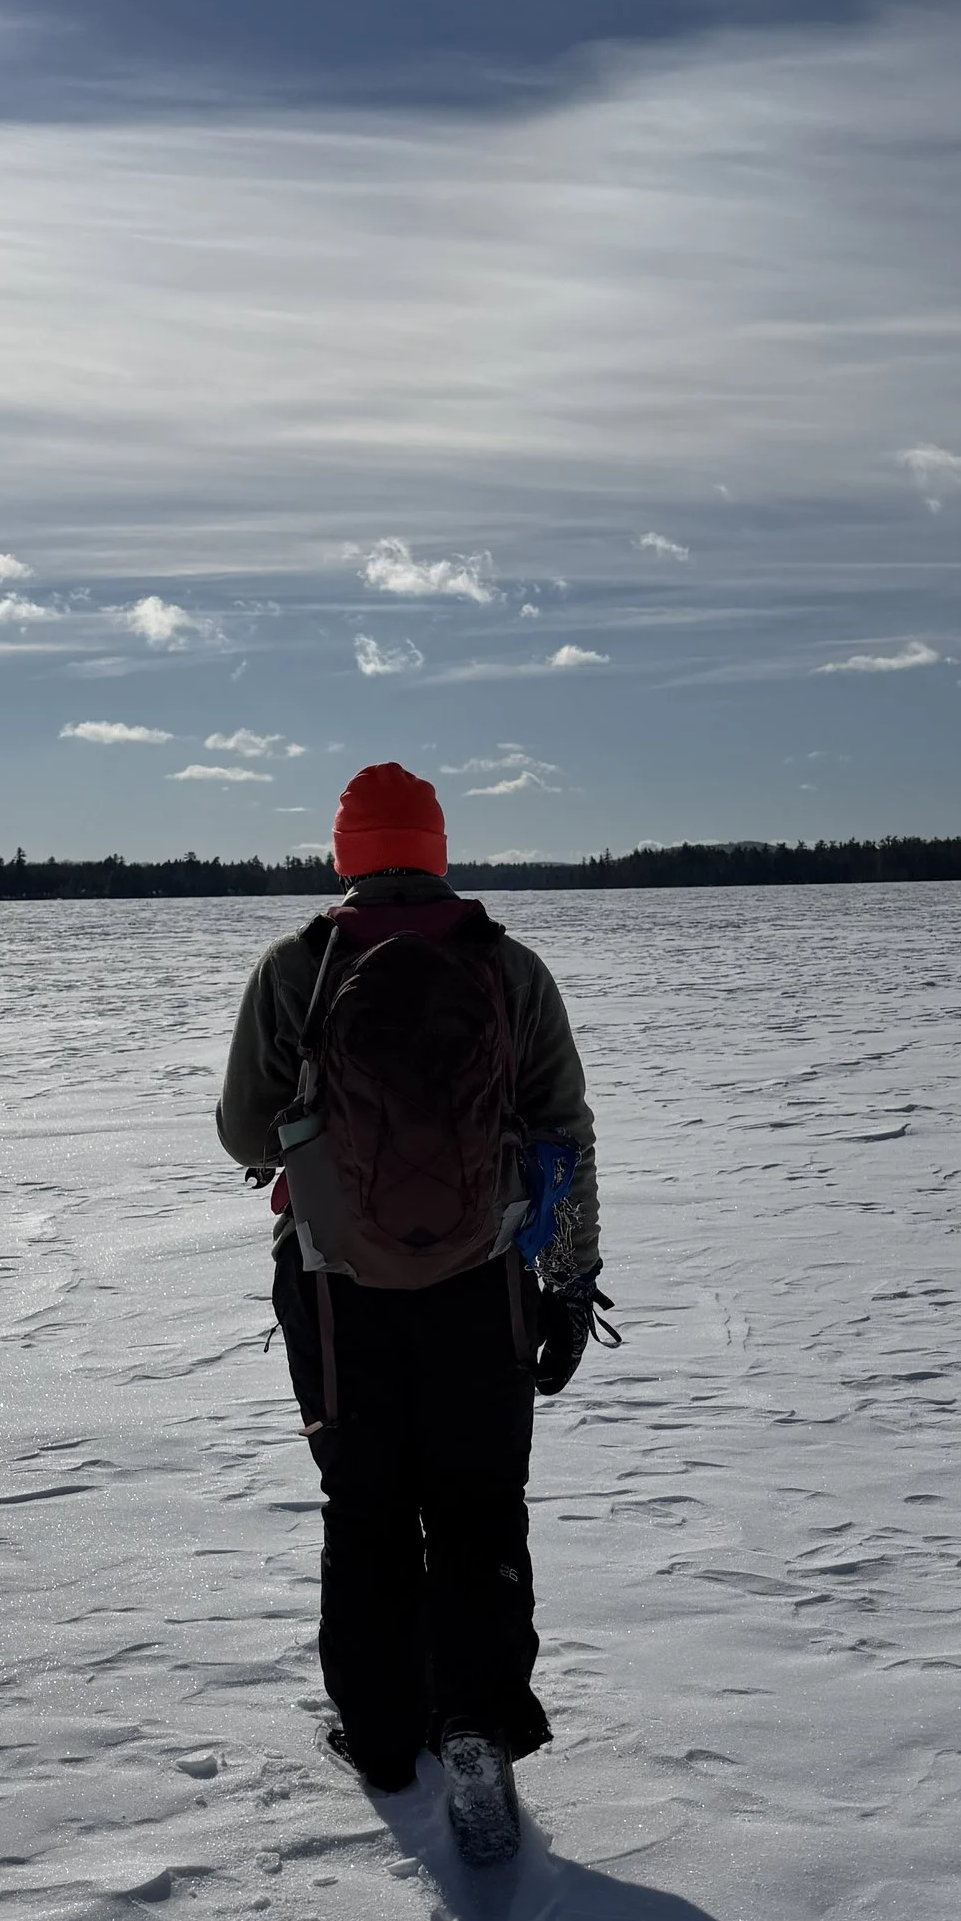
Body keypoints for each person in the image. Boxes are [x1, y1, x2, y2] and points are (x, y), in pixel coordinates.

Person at [216, 761, 608, 1860]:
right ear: (435, 847)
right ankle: (477, 1720)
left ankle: (385, 1736)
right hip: (482, 1286)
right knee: (481, 1504)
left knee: (368, 1506)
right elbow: (563, 1134)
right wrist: (569, 1285)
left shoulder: (297, 967)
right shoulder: (507, 968)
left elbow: (246, 1135)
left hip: (338, 1291)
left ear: (346, 851)